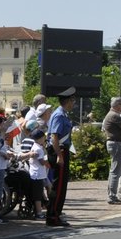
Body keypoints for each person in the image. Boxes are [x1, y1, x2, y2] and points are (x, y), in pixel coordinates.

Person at [44, 88, 76, 227]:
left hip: (62, 150)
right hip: (59, 151)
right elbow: (54, 137)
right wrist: (59, 156)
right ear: (68, 101)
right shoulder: (59, 115)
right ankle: (53, 216)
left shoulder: (62, 114)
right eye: (72, 100)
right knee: (58, 186)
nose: (74, 103)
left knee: (61, 186)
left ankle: (55, 213)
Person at [102, 98, 121, 204]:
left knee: (114, 170)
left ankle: (111, 195)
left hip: (115, 144)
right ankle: (112, 197)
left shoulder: (110, 115)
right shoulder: (114, 115)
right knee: (115, 172)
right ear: (117, 105)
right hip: (117, 144)